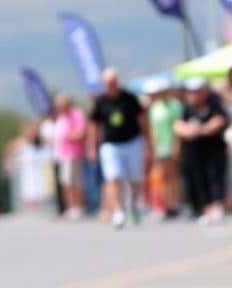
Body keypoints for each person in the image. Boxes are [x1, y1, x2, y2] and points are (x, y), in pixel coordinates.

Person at [89, 68, 150, 229]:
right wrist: (92, 147)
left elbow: (143, 121)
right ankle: (118, 211)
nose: (111, 85)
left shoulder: (130, 98)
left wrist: (148, 144)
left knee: (135, 178)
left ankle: (135, 204)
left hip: (132, 141)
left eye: (113, 81)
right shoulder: (101, 102)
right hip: (110, 144)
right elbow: (94, 125)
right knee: (113, 177)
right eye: (108, 83)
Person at [174, 77, 229, 225]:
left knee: (215, 178)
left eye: (197, 92)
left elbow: (220, 120)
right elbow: (178, 125)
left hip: (214, 149)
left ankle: (217, 206)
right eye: (191, 92)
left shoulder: (213, 102)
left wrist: (202, 130)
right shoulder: (187, 108)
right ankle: (205, 209)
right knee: (199, 180)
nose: (194, 95)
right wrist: (188, 131)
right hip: (195, 152)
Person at [144, 78, 182, 219]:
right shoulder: (154, 108)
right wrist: (152, 147)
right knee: (163, 177)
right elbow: (153, 129)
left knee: (173, 176)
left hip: (171, 144)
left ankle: (175, 204)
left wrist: (177, 146)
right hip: (160, 147)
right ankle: (166, 205)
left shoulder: (175, 105)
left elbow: (177, 126)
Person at [53, 93, 87, 220]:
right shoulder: (61, 116)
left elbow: (82, 132)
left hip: (73, 153)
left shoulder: (76, 114)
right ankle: (71, 207)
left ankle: (78, 207)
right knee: (65, 182)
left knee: (74, 182)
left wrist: (68, 136)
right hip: (62, 154)